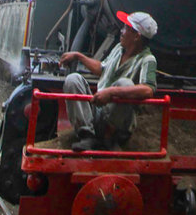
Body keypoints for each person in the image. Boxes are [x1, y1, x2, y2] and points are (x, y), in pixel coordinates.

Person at [59, 10, 158, 151]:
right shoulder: (118, 49)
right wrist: (78, 56)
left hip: (119, 122)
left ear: (137, 36)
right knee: (72, 79)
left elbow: (148, 89)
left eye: (126, 28)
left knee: (126, 84)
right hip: (99, 110)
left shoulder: (147, 59)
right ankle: (87, 135)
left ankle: (109, 138)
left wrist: (112, 91)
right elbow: (102, 69)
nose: (122, 32)